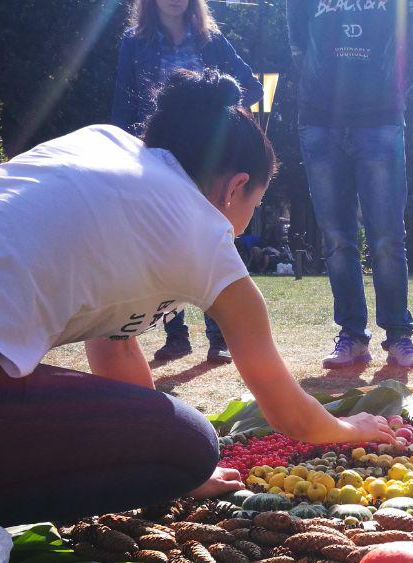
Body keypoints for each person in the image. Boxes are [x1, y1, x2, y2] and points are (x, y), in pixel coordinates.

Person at [0, 70, 394, 562]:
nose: (243, 227)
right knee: (194, 444)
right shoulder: (202, 230)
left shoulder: (102, 143)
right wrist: (346, 430)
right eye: (253, 207)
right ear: (236, 187)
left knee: (172, 444)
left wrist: (158, 452)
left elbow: (116, 347)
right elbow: (285, 403)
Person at [113, 0, 263, 366]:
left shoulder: (210, 39)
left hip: (209, 158)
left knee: (212, 235)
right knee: (164, 238)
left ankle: (219, 337)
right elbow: (122, 101)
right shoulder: (135, 41)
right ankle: (175, 335)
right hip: (158, 155)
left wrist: (221, 114)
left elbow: (252, 87)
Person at [288, 0, 413, 371]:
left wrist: (388, 93)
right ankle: (351, 335)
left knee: (387, 236)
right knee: (336, 238)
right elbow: (296, 43)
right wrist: (320, 92)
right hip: (320, 120)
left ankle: (399, 335)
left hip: (380, 118)